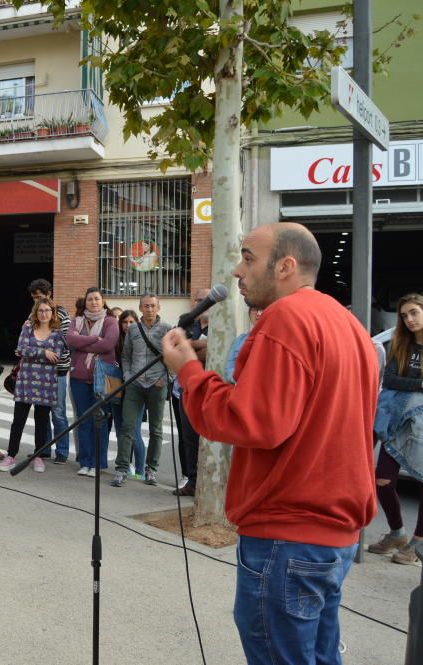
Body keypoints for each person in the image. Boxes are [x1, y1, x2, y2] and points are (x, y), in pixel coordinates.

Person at [161, 222, 377, 665]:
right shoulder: (349, 325)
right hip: (332, 534)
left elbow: (254, 421)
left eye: (247, 258)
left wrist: (188, 371)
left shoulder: (286, 317)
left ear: (286, 266)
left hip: (288, 532)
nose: (238, 271)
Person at [369, 292, 423, 564]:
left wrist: (407, 384)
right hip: (395, 421)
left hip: (420, 425)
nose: (409, 319)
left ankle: (417, 543)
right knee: (383, 480)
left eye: (414, 313)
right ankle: (397, 531)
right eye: (404, 315)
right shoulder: (401, 343)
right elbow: (389, 379)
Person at [111, 294, 171, 488]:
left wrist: (166, 378)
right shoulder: (133, 330)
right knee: (127, 426)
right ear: (140, 308)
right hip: (135, 385)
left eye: (153, 306)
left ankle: (151, 469)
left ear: (159, 307)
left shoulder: (167, 329)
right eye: (146, 306)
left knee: (156, 429)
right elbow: (125, 355)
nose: (149, 309)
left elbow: (175, 357)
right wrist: (128, 376)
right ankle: (121, 469)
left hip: (156, 384)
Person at [0, 297, 65, 472]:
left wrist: (33, 353)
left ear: (53, 313)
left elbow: (57, 356)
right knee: (18, 421)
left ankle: (38, 456)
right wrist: (43, 352)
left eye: (47, 311)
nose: (44, 314)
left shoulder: (58, 333)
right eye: (41, 311)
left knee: (42, 422)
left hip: (46, 383)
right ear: (36, 313)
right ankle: (11, 455)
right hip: (25, 381)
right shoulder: (27, 328)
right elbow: (21, 349)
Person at [66, 287, 119, 477]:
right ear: (85, 302)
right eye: (90, 299)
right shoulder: (76, 321)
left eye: (97, 299)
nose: (94, 302)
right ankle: (85, 462)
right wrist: (93, 339)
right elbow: (70, 339)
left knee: (99, 420)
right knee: (83, 419)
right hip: (79, 378)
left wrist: (83, 343)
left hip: (102, 377)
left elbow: (108, 344)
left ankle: (98, 463)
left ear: (103, 301)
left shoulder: (111, 321)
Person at [171, 288, 210, 497]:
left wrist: (191, 346)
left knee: (207, 438)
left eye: (206, 300)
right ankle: (191, 480)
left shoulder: (221, 326)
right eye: (198, 300)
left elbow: (213, 350)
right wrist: (197, 347)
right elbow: (177, 347)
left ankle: (207, 482)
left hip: (208, 390)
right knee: (187, 437)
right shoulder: (187, 322)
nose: (202, 303)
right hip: (183, 390)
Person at [28, 279, 71, 464]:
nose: (37, 301)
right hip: (38, 371)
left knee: (58, 412)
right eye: (34, 298)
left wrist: (41, 348)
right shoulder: (33, 315)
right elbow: (28, 342)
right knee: (41, 412)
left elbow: (64, 342)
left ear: (49, 294)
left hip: (58, 371)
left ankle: (62, 452)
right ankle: (44, 450)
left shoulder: (62, 314)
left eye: (40, 297)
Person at [114, 310, 146, 477]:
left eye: (131, 322)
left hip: (136, 391)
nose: (128, 326)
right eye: (125, 322)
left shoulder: (140, 340)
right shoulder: (116, 341)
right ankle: (125, 466)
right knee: (121, 431)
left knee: (134, 432)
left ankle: (140, 471)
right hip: (117, 389)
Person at [226, 306, 262, 382]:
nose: (258, 313)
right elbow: (229, 368)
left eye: (262, 309)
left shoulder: (272, 340)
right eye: (254, 309)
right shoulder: (240, 339)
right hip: (239, 386)